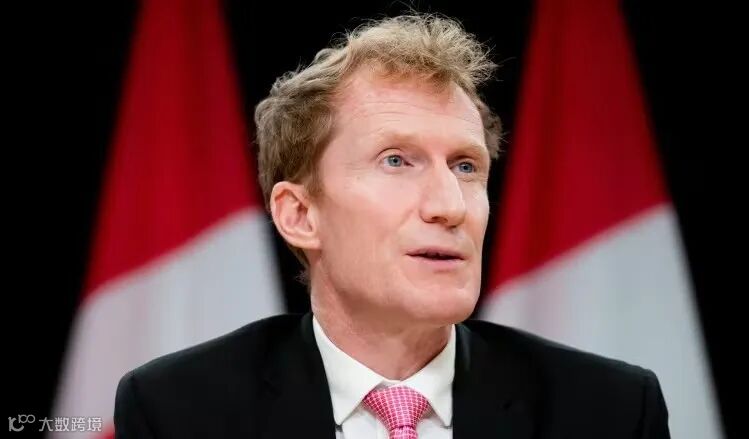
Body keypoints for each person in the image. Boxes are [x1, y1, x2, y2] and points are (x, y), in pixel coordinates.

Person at [114, 13, 670, 439]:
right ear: (299, 215)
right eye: (397, 161)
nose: (449, 206)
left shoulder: (610, 411)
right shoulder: (179, 411)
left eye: (465, 166)